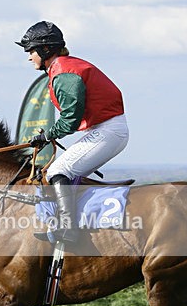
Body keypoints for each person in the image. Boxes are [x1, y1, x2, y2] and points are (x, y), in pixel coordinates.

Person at [16, 20, 129, 246]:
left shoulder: (64, 72)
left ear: (45, 50)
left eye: (31, 51)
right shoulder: (63, 68)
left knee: (58, 169)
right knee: (61, 171)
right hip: (105, 128)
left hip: (109, 130)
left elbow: (70, 120)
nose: (29, 57)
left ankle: (68, 230)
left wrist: (47, 135)